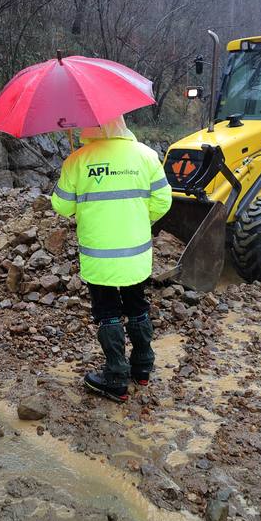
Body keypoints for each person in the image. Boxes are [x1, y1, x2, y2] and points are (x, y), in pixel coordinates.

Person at [51, 116, 172, 402]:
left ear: (88, 128)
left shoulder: (77, 160)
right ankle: (142, 367)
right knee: (137, 303)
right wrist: (142, 219)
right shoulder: (146, 155)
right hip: (136, 254)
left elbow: (61, 205)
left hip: (99, 257)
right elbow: (164, 200)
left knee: (107, 311)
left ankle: (116, 376)